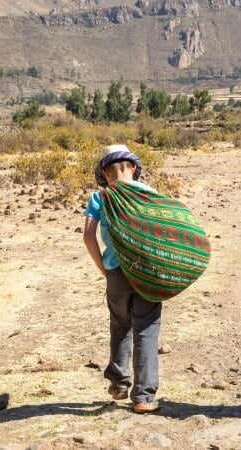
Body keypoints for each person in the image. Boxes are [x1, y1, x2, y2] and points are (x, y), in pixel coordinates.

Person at [83, 144, 161, 414]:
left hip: (116, 272)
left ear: (105, 172)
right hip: (147, 272)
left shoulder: (100, 197)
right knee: (147, 330)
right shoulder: (150, 195)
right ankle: (144, 397)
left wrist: (102, 267)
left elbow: (87, 236)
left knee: (119, 325)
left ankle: (118, 384)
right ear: (134, 168)